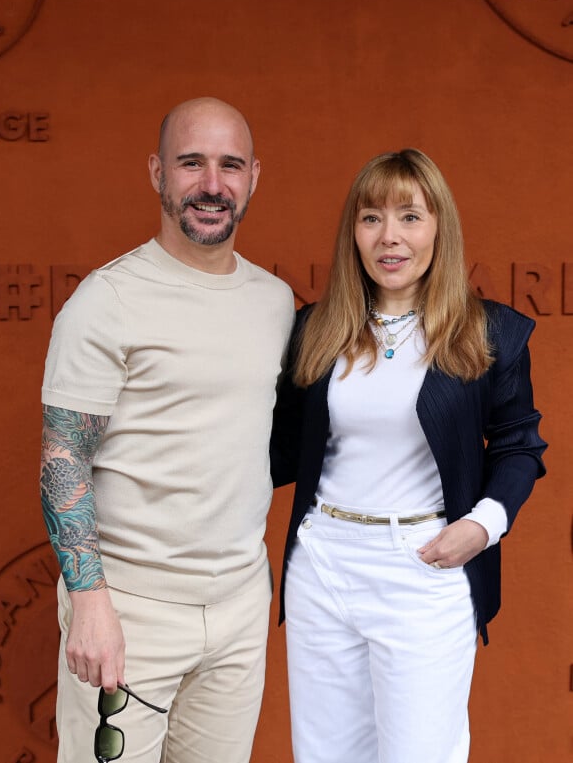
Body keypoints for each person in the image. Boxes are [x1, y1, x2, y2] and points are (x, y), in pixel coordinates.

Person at [270, 148, 547, 763]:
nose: (389, 237)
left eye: (409, 217)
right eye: (371, 218)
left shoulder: (486, 332)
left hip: (423, 568)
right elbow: (277, 450)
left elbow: (519, 446)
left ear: (438, 228)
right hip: (323, 565)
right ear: (354, 234)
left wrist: (481, 527)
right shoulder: (316, 329)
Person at [40, 97, 295, 763]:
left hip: (239, 609)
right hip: (130, 609)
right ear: (157, 172)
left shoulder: (274, 302)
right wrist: (89, 602)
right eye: (192, 163)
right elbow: (64, 458)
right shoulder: (107, 300)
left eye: (229, 165)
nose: (212, 184)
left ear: (253, 177)